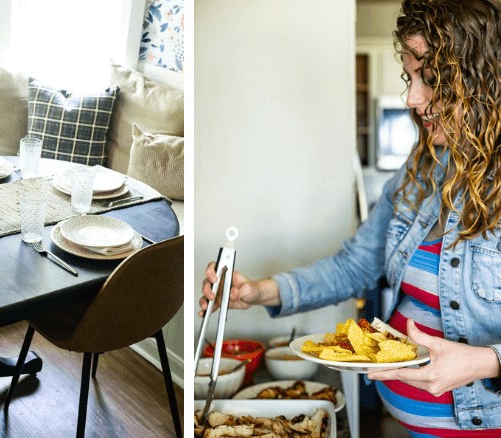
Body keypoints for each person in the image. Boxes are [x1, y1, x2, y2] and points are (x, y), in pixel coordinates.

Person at [199, 0, 501, 435]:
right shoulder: (418, 175)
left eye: (431, 80)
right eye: (412, 78)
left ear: (483, 79)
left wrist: (483, 361)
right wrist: (259, 291)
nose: (414, 99)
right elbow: (355, 265)